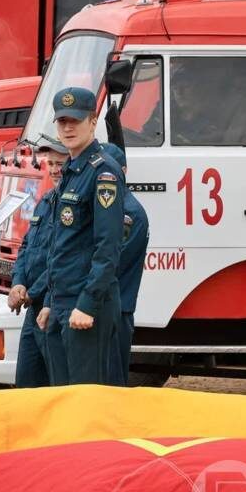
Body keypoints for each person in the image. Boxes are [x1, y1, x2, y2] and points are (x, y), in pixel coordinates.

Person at [35, 87, 126, 387]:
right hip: (62, 303)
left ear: (93, 121)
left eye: (75, 120)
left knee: (85, 398)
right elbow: (61, 247)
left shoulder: (103, 172)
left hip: (86, 305)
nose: (68, 128)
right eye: (62, 121)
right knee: (61, 396)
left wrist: (87, 304)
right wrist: (50, 301)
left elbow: (108, 246)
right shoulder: (72, 171)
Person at [7, 140, 68, 387]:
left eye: (60, 164)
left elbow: (63, 257)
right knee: (26, 380)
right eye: (50, 163)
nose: (54, 170)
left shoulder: (72, 206)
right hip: (32, 307)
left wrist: (33, 292)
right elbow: (26, 247)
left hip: (53, 306)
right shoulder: (45, 201)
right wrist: (17, 283)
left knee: (56, 383)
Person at [100, 143, 149, 384]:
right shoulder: (111, 208)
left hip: (115, 311)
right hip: (104, 307)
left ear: (123, 171)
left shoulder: (129, 213)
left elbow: (111, 263)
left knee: (110, 385)